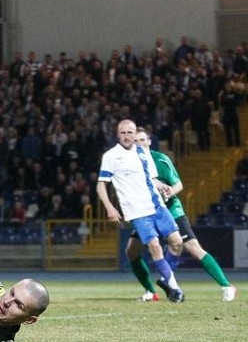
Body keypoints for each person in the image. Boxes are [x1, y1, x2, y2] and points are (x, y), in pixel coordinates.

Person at [129, 129, 237, 301]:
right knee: (131, 251)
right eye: (135, 141)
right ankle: (151, 291)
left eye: (142, 139)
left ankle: (227, 285)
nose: (139, 143)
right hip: (146, 212)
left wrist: (169, 192)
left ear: (149, 142)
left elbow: (178, 184)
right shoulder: (131, 164)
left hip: (170, 210)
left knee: (193, 248)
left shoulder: (160, 160)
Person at [96, 119, 185, 302]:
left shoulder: (143, 153)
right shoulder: (111, 156)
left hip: (157, 206)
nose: (127, 136)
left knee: (177, 243)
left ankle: (165, 281)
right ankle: (175, 288)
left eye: (130, 132)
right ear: (117, 134)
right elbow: (101, 185)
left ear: (135, 133)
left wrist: (163, 187)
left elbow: (151, 178)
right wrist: (109, 207)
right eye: (123, 133)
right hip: (137, 212)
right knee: (154, 246)